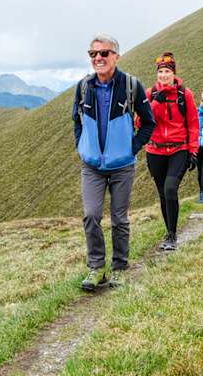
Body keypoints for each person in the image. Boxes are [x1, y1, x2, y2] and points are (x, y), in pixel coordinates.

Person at [73, 34, 155, 291]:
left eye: (104, 53)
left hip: (122, 166)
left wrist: (131, 147)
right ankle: (97, 268)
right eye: (93, 54)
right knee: (91, 215)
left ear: (116, 56)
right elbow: (76, 119)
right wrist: (82, 146)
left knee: (119, 219)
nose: (98, 58)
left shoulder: (131, 85)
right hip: (92, 167)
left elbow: (149, 122)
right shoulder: (83, 86)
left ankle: (119, 268)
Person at [142, 52, 199, 251]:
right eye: (161, 72)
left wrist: (193, 151)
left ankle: (173, 236)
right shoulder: (149, 94)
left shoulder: (185, 94)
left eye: (167, 71)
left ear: (174, 73)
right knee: (162, 193)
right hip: (155, 150)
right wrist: (156, 102)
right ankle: (168, 232)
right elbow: (140, 122)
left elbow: (193, 123)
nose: (164, 75)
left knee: (170, 189)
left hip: (178, 149)